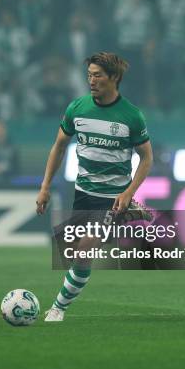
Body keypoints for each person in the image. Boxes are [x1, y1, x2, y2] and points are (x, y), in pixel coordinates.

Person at [36, 52, 153, 322]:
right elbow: (59, 146)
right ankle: (131, 213)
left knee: (84, 249)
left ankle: (57, 308)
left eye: (97, 75)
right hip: (83, 192)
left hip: (112, 196)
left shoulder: (131, 116)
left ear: (114, 78)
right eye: (89, 74)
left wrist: (128, 192)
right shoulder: (77, 108)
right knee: (75, 249)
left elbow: (147, 157)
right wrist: (45, 187)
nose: (91, 80)